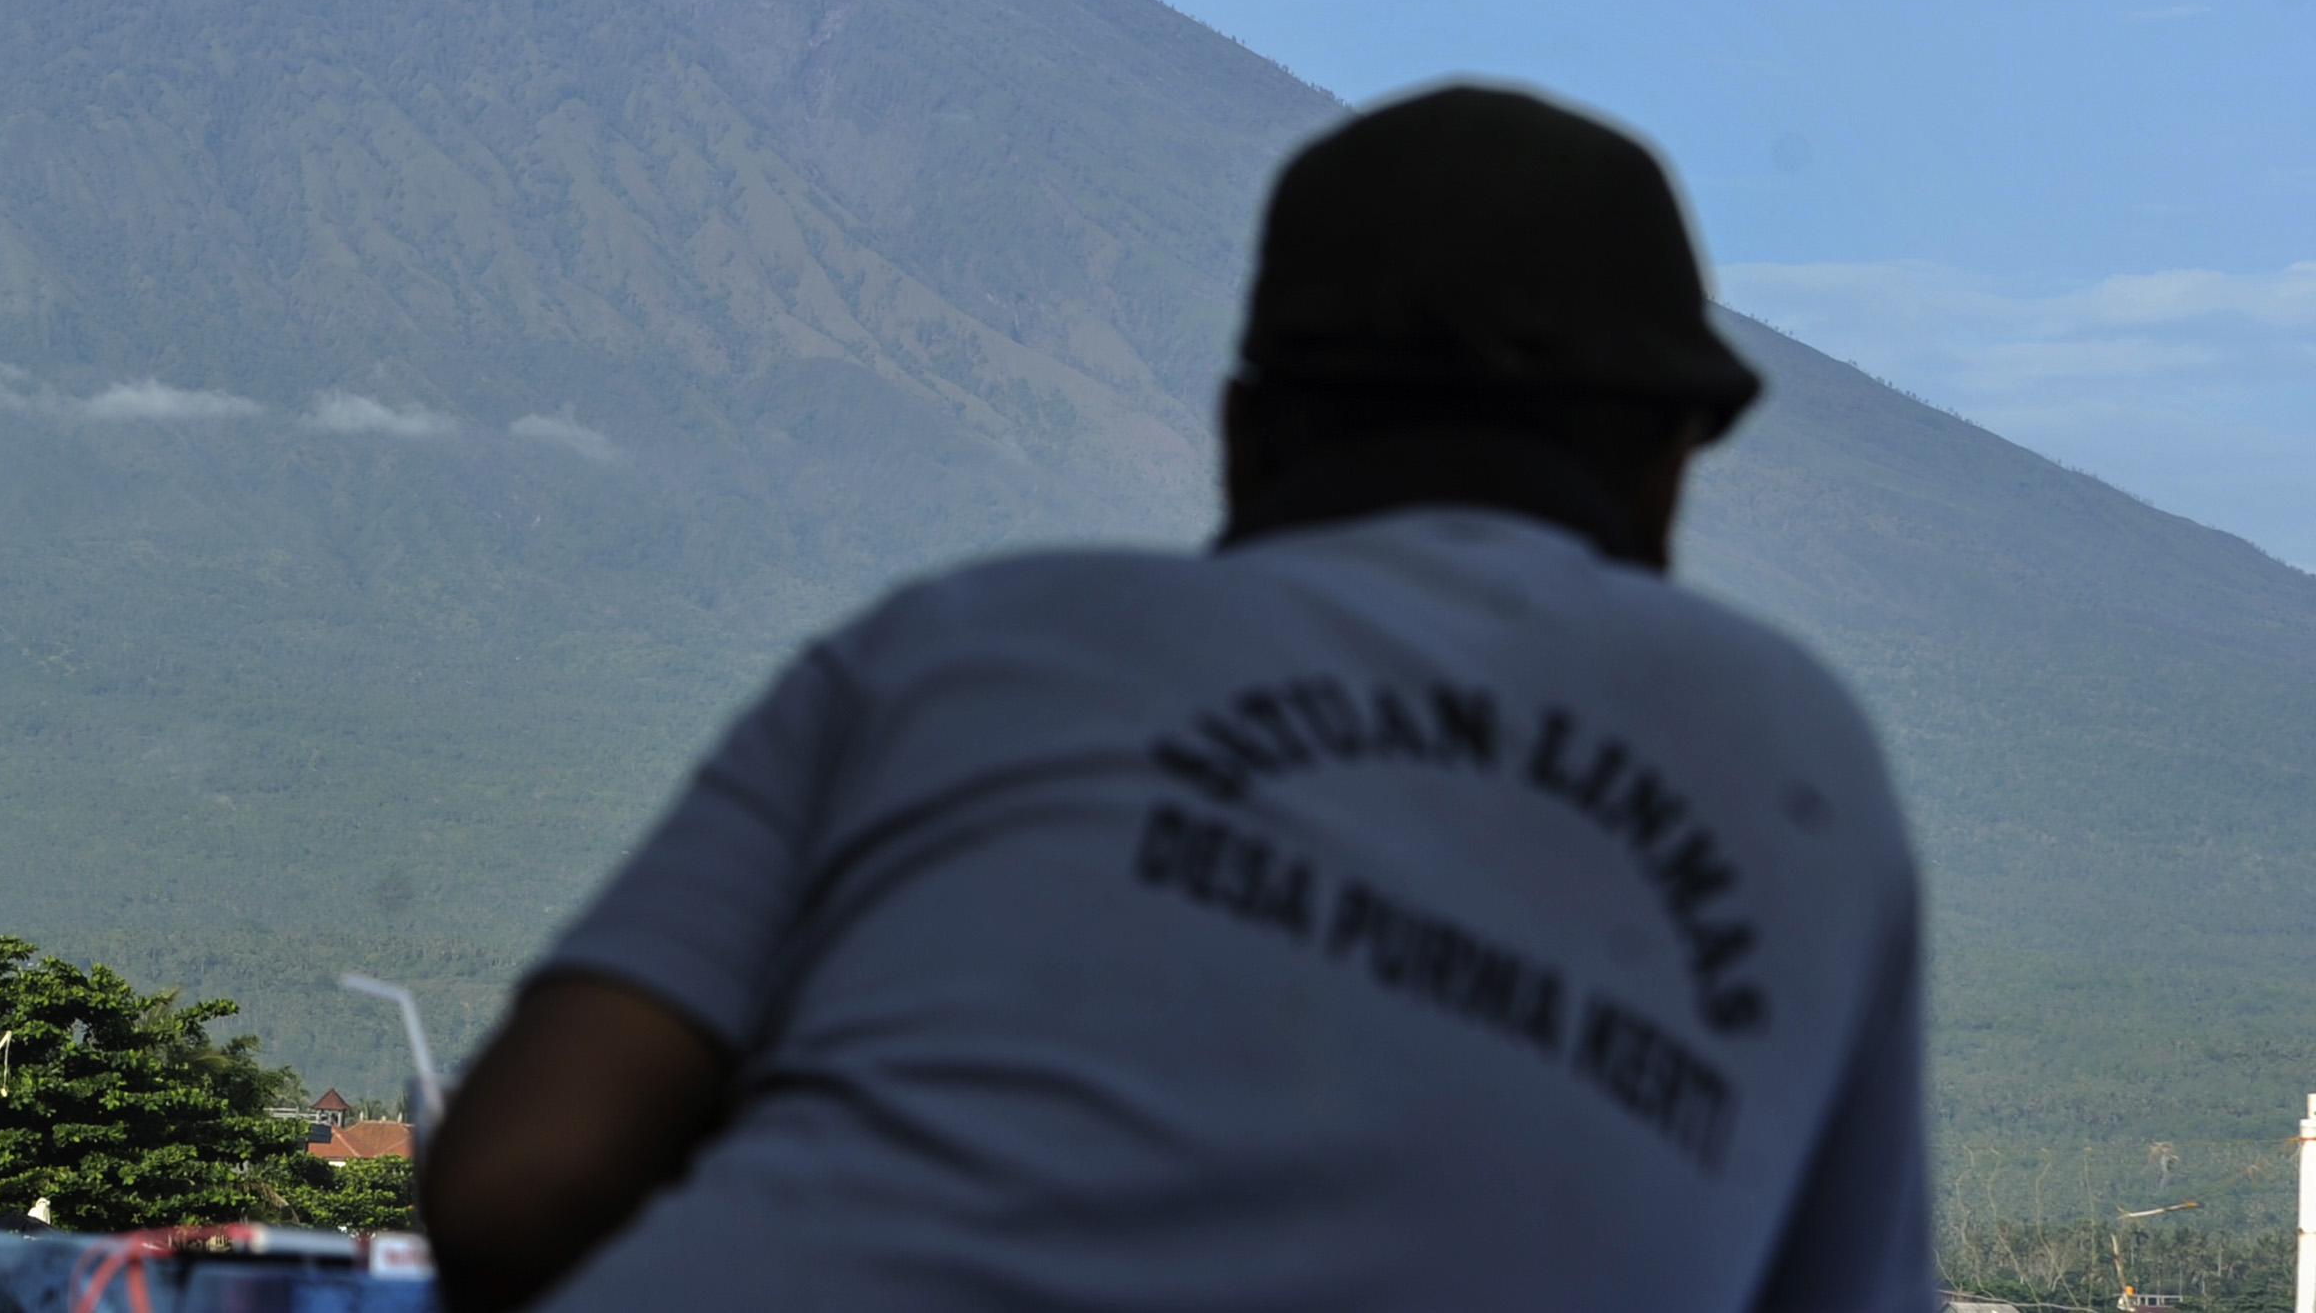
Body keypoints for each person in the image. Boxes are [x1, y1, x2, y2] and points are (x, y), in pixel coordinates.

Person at [419, 85, 1930, 1311]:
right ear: (1671, 457)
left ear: (1243, 436)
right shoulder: (1797, 759)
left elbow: (510, 1187)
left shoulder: (969, 639)